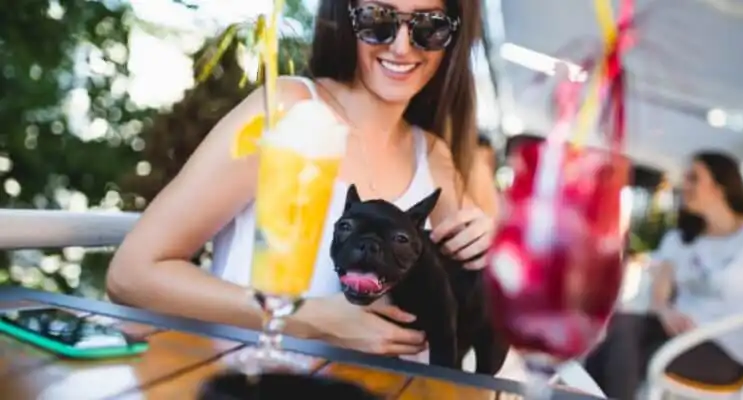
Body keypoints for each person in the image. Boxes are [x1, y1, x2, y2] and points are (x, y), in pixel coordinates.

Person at [107, 0, 491, 359]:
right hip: (248, 383)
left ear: (453, 35)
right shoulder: (286, 110)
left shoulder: (437, 155)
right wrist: (311, 319)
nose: (403, 47)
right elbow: (133, 274)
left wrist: (491, 245)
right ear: (348, 17)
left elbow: (479, 299)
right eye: (378, 20)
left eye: (429, 26)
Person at [584, 151, 743, 400]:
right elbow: (660, 296)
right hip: (672, 336)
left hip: (725, 351)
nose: (684, 185)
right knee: (613, 331)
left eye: (693, 178)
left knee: (620, 348)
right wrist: (666, 312)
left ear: (721, 186)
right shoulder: (679, 239)